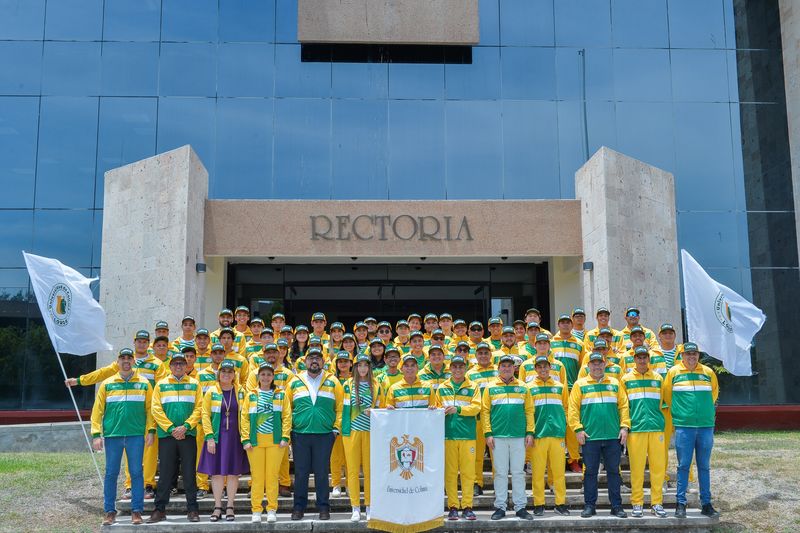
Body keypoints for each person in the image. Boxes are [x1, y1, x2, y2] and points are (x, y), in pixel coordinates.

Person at [65, 329, 166, 499]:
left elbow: (163, 385)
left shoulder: (157, 363)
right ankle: (129, 485)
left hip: (148, 409)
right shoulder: (122, 361)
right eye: (138, 341)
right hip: (127, 415)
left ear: (149, 344)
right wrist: (79, 381)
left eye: (144, 341)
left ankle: (148, 484)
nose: (141, 344)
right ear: (134, 342)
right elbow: (101, 373)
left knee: (149, 448)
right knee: (130, 451)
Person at [91, 348, 154, 526]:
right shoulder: (107, 384)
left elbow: (150, 409)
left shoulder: (143, 383)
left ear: (134, 361)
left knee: (136, 473)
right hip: (113, 436)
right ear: (117, 362)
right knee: (111, 473)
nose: (126, 361)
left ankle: (136, 511)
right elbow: (97, 410)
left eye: (129, 358)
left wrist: (151, 431)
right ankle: (109, 512)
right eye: (122, 358)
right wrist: (96, 434)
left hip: (136, 435)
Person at [568, 352, 630, 519]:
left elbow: (624, 406)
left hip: (612, 436)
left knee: (614, 472)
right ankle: (589, 505)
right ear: (588, 366)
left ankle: (616, 506)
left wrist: (624, 427)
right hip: (590, 437)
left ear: (605, 365)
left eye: (600, 363)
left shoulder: (615, 383)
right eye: (593, 363)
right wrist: (578, 429)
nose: (597, 366)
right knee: (590, 473)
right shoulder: (580, 384)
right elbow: (573, 409)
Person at [662, 342, 720, 519]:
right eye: (688, 354)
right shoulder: (673, 373)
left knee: (704, 466)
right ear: (682, 356)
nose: (691, 357)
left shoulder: (708, 373)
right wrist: (682, 412)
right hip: (684, 427)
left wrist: (703, 411)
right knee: (683, 465)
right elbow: (667, 395)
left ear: (698, 355)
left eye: (694, 354)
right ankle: (681, 503)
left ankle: (706, 503)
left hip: (705, 426)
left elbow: (714, 394)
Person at [286, 347, 343, 521]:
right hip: (300, 433)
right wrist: (288, 432)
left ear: (324, 362)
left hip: (324, 434)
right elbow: (287, 409)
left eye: (318, 358)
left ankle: (324, 507)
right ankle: (298, 507)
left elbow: (340, 407)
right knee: (301, 473)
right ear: (305, 361)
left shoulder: (333, 381)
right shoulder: (294, 381)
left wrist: (335, 429)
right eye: (311, 358)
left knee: (321, 473)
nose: (314, 361)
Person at [147, 353, 202, 523]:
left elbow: (199, 408)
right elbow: (156, 409)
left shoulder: (194, 384)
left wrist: (185, 426)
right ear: (170, 367)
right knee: (165, 473)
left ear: (187, 366)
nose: (178, 366)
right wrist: (171, 428)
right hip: (167, 436)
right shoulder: (161, 385)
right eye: (175, 363)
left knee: (189, 473)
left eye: (182, 363)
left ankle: (192, 509)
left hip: (188, 434)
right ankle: (159, 509)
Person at [482, 354, 534, 521]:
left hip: (519, 436)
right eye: (503, 366)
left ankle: (520, 507)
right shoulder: (490, 387)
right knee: (500, 473)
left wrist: (530, 432)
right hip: (497, 436)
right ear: (498, 368)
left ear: (514, 368)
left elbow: (529, 411)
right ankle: (500, 506)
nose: (506, 368)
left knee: (518, 472)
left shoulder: (524, 387)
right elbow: (485, 412)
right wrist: (488, 433)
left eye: (509, 366)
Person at [198, 360, 250, 522]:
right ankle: (218, 506)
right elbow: (205, 415)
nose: (226, 374)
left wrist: (246, 437)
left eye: (230, 372)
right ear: (218, 374)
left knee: (234, 473)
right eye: (223, 372)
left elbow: (247, 413)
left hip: (235, 437)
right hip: (217, 437)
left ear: (234, 375)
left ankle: (230, 506)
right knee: (217, 473)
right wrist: (209, 437)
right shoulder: (211, 391)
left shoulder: (241, 391)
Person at [241, 363, 292, 523]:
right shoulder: (251, 395)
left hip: (275, 442)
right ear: (258, 377)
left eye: (269, 375)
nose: (265, 377)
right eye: (262, 374)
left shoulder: (280, 394)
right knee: (257, 477)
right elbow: (244, 419)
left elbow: (287, 416)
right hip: (255, 442)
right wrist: (245, 439)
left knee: (272, 476)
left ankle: (271, 509)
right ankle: (256, 510)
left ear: (273, 377)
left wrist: (285, 437)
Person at [621, 346, 668, 518]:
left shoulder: (657, 378)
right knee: (637, 468)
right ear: (634, 359)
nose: (642, 360)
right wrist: (625, 426)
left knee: (657, 468)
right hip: (636, 429)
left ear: (649, 358)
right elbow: (624, 406)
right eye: (638, 357)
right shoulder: (625, 379)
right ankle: (637, 503)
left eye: (644, 357)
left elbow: (664, 401)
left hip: (656, 428)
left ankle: (657, 503)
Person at [435, 355, 481, 521]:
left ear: (466, 368)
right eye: (454, 367)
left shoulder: (473, 386)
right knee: (451, 473)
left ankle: (468, 506)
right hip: (448, 436)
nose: (457, 370)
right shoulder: (441, 388)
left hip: (468, 435)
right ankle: (453, 506)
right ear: (450, 368)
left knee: (468, 473)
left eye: (461, 367)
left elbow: (477, 408)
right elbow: (436, 408)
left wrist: (459, 410)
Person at [527, 355, 570, 517]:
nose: (543, 369)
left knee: (559, 472)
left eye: (546, 366)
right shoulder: (529, 387)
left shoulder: (559, 386)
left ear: (550, 368)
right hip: (538, 436)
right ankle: (539, 504)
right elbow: (528, 411)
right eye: (540, 367)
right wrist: (530, 432)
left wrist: (562, 425)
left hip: (557, 435)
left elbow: (566, 407)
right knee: (538, 473)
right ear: (535, 369)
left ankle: (560, 503)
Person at [342, 353, 382, 522]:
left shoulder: (376, 384)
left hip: (371, 433)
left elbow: (380, 409)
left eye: (366, 365)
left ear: (369, 367)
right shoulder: (348, 384)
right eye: (360, 365)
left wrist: (373, 412)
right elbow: (344, 409)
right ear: (356, 367)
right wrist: (344, 431)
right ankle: (355, 507)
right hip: (352, 432)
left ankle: (369, 506)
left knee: (369, 471)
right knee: (352, 471)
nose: (363, 368)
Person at [465, 342, 498, 496]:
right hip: (477, 419)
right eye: (480, 353)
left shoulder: (499, 370)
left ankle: (498, 483)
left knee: (496, 455)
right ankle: (477, 483)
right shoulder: (470, 373)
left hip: (496, 418)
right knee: (477, 455)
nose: (483, 356)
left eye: (486, 353)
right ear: (476, 356)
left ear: (491, 354)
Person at [330, 352, 353, 498]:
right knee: (336, 456)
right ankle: (336, 484)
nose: (343, 364)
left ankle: (350, 484)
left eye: (346, 361)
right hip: (336, 421)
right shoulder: (332, 380)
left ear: (351, 363)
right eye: (340, 361)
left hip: (352, 421)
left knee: (350, 456)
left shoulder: (356, 379)